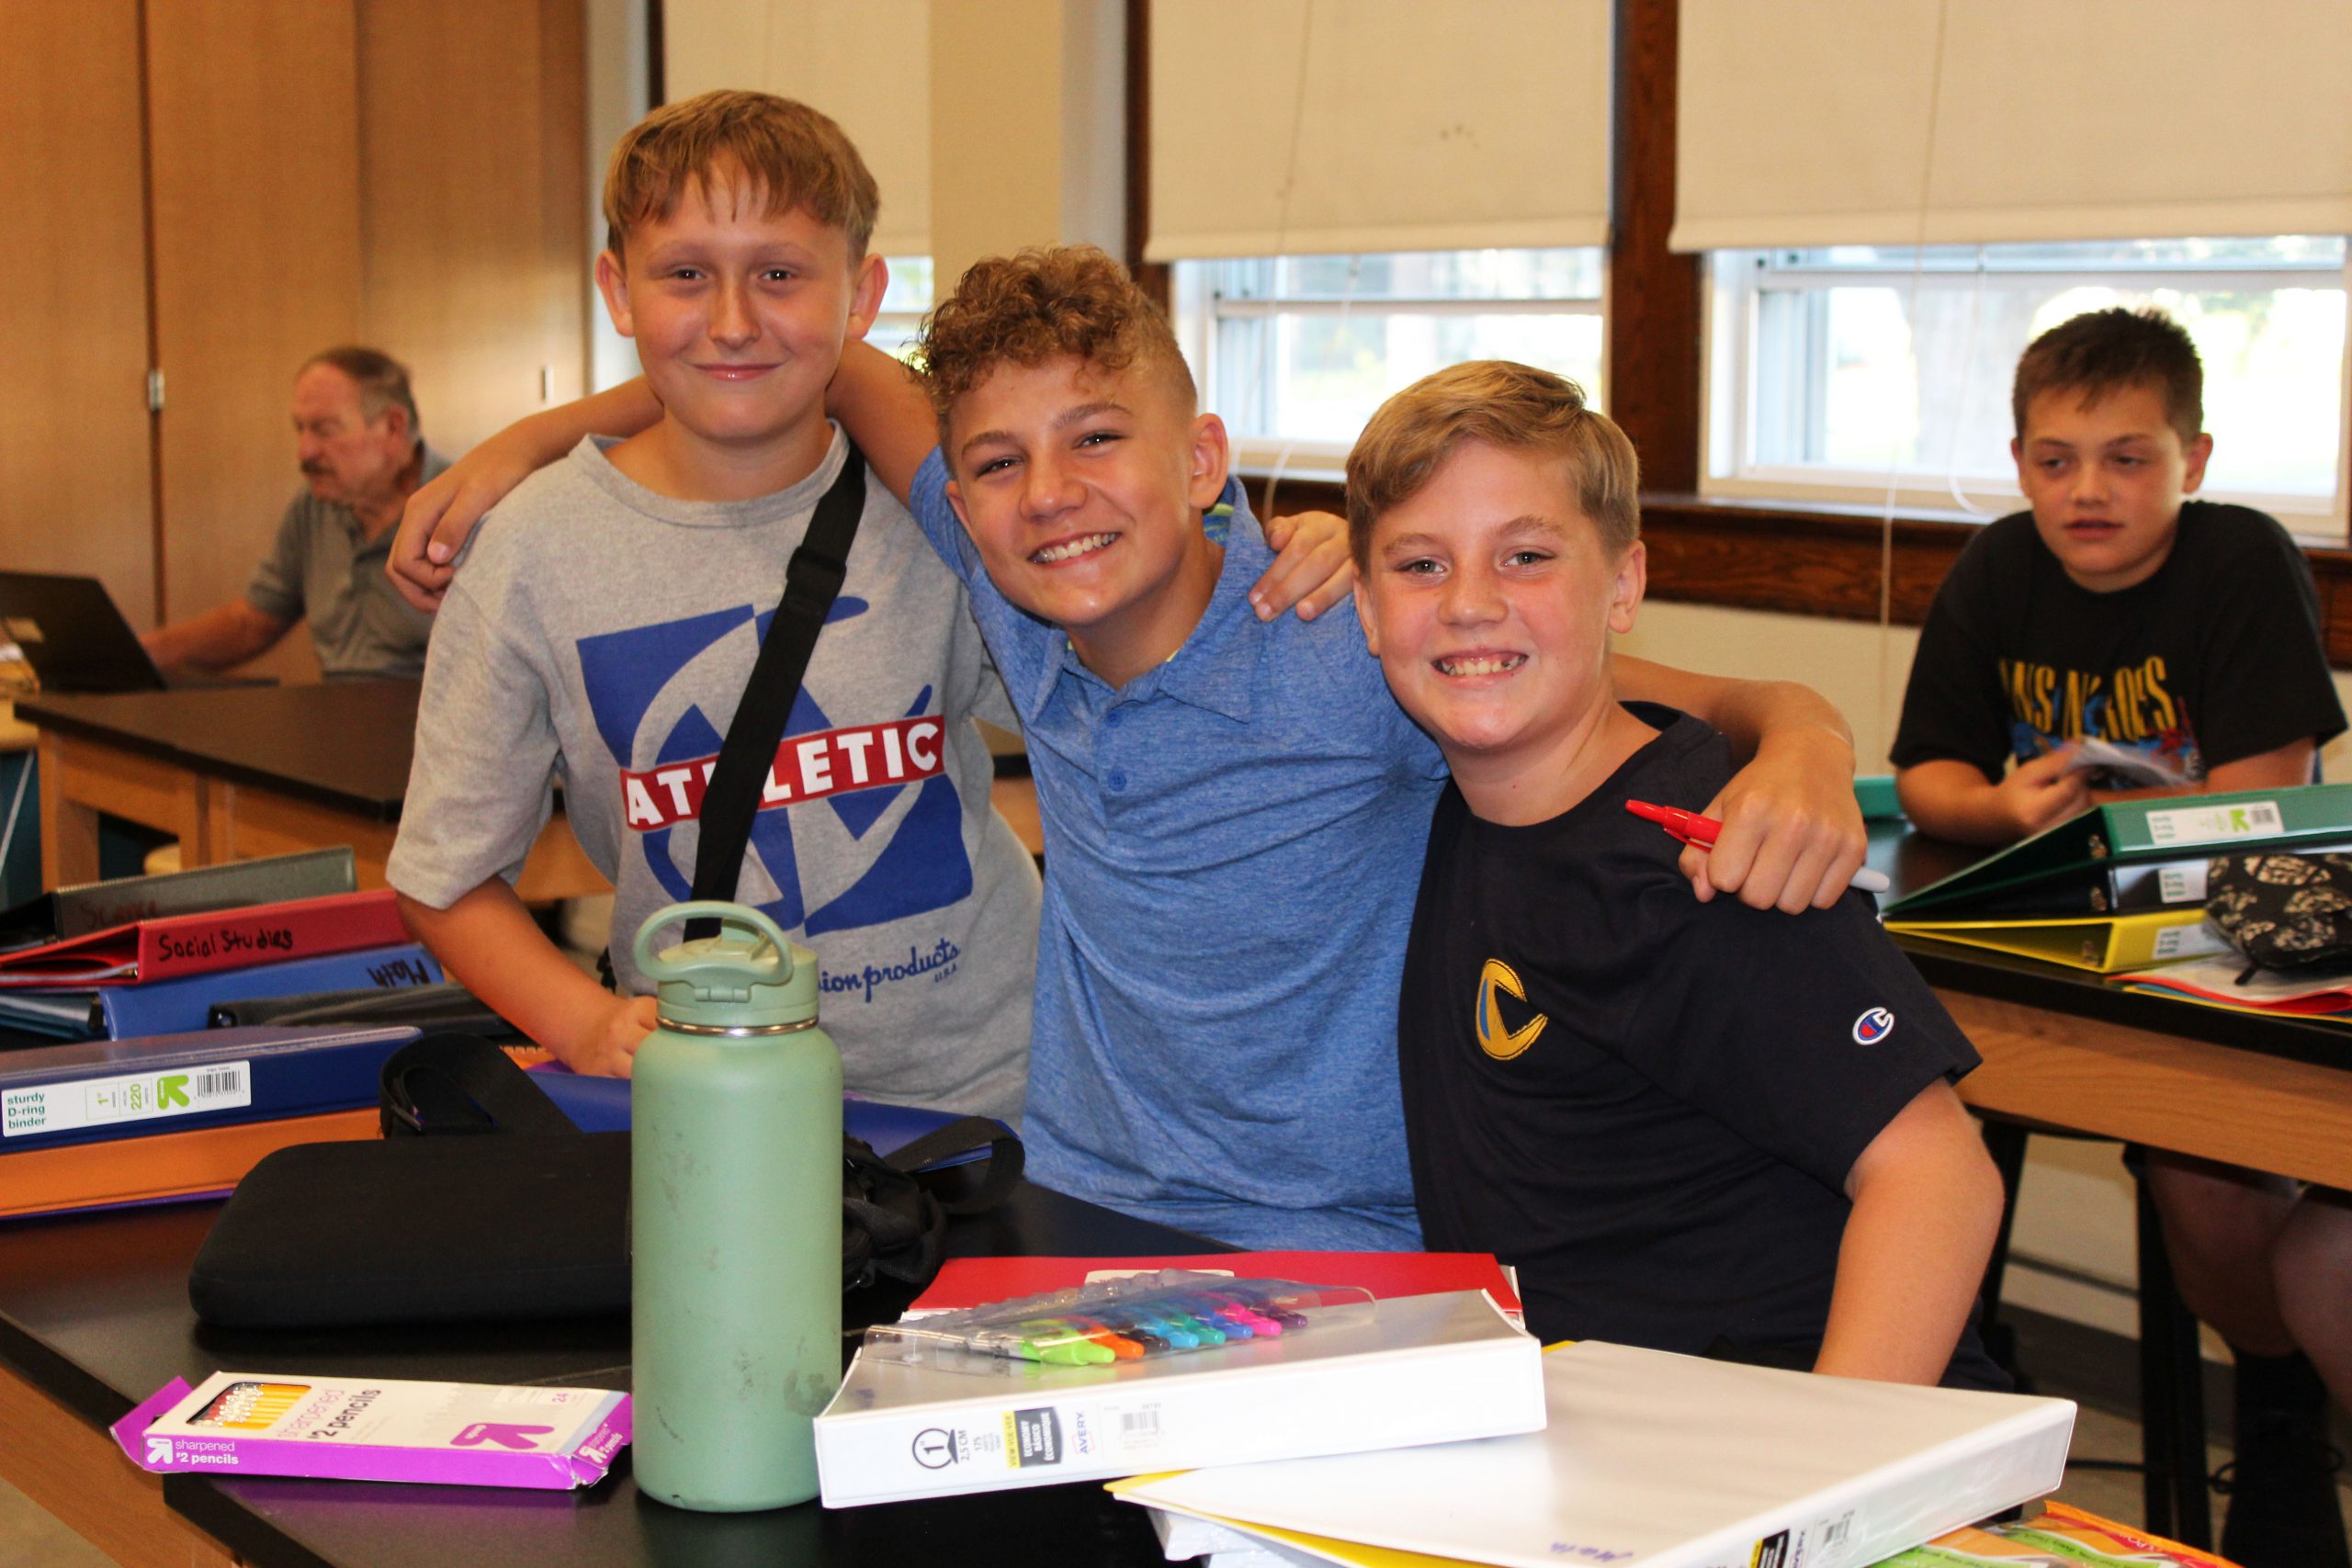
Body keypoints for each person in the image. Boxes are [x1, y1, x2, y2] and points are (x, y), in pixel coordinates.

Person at [391, 244, 1869, 1250]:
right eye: (998, 464)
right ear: (957, 513)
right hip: (1073, 1213)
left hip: (1340, 1244)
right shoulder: (1019, 613)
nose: (1051, 494)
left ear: (1203, 461)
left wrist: (1798, 723)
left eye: (1100, 439)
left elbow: (1612, 681)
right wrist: (520, 447)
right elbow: (832, 360)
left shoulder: (1349, 638)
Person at [1346, 359, 2004, 1382]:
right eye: (1421, 565)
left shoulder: (1703, 860)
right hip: (1576, 1411)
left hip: (1776, 1430)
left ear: (1623, 586)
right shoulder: (1478, 778)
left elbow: (1939, 1176)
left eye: (1524, 556)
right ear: (1367, 606)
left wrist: (1820, 1495)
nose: (1470, 603)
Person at [1893, 306, 2351, 1562]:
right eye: (2055, 459)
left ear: (2193, 461)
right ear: (2019, 459)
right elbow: (1928, 774)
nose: (2088, 489)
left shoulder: (2242, 560)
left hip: (2222, 935)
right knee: (1917, 1094)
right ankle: (1961, 1393)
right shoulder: (1996, 568)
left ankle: (2278, 1417)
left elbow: (2278, 787)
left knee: (2208, 1159)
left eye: (2129, 457)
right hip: (2047, 939)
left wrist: (2144, 817)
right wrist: (2002, 803)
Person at [142, 347, 443, 680]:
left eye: (324, 430)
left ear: (392, 427)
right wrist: (141, 652)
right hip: (338, 718)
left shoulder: (463, 509)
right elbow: (252, 624)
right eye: (300, 429)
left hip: (429, 722)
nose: (305, 451)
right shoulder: (314, 506)